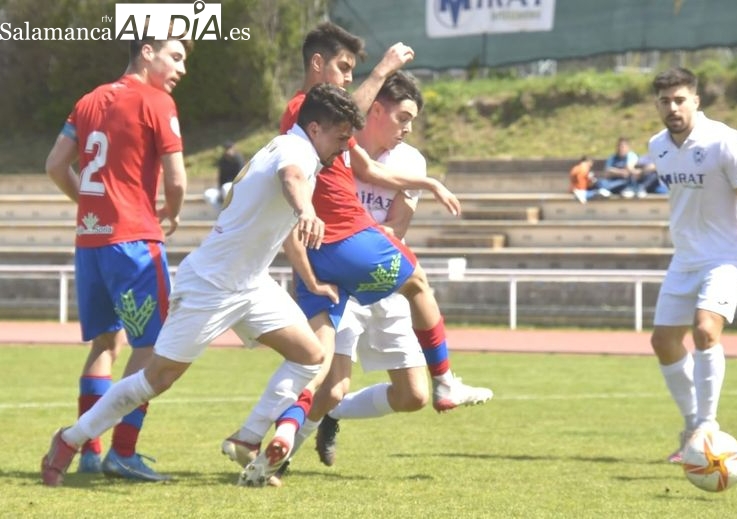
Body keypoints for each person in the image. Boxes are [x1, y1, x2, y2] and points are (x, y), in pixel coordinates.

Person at [40, 82, 365, 487]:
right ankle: (69, 439)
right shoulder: (294, 152)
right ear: (315, 128)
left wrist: (311, 276)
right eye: (340, 138)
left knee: (311, 355)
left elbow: (280, 228)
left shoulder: (294, 148)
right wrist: (307, 210)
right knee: (155, 380)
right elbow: (291, 177)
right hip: (210, 285)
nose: (344, 148)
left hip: (250, 285)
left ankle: (247, 438)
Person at [222, 22, 492, 487]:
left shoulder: (336, 135)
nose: (349, 77)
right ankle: (447, 380)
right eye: (344, 67)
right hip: (347, 240)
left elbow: (364, 167)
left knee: (318, 362)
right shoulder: (304, 114)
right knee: (418, 283)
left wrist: (427, 182)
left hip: (321, 256)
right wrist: (385, 66)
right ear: (317, 64)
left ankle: (259, 441)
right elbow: (342, 127)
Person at [43, 35, 191, 481]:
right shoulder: (157, 100)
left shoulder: (87, 100)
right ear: (147, 52)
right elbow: (178, 180)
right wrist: (174, 213)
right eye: (176, 56)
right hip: (133, 241)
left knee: (104, 344)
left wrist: (90, 206)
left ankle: (89, 449)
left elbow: (54, 165)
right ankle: (122, 452)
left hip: (90, 243)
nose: (182, 68)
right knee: (151, 347)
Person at [646, 67, 737, 464]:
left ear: (696, 101)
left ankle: (707, 424)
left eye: (680, 99)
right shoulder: (656, 146)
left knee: (704, 329)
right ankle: (691, 430)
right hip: (684, 258)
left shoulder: (725, 141)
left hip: (725, 257)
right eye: (665, 101)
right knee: (663, 342)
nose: (673, 107)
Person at [204, 141, 245, 211]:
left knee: (226, 187)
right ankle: (221, 214)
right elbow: (221, 178)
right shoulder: (222, 161)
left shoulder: (238, 160)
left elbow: (241, 177)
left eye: (230, 148)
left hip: (236, 188)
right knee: (208, 194)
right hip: (223, 189)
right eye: (226, 149)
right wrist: (220, 191)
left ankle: (231, 212)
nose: (228, 151)